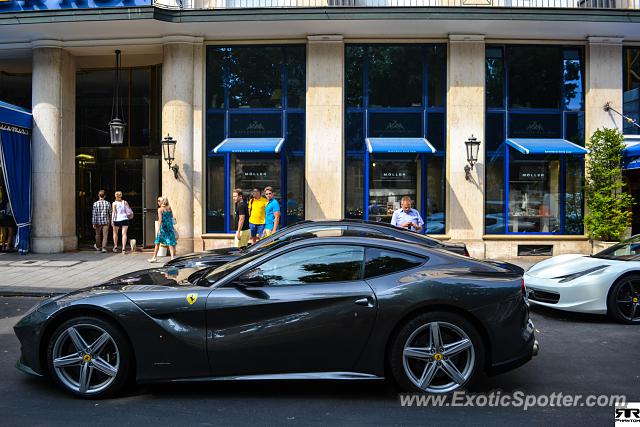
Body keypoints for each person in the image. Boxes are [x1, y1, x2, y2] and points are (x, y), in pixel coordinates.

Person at [148, 196, 177, 262]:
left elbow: (160, 220)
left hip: (163, 227)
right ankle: (172, 257)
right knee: (170, 242)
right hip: (169, 226)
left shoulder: (160, 209)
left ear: (162, 201)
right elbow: (171, 216)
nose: (157, 202)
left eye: (159, 201)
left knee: (157, 242)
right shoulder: (169, 208)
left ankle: (154, 257)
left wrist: (158, 229)